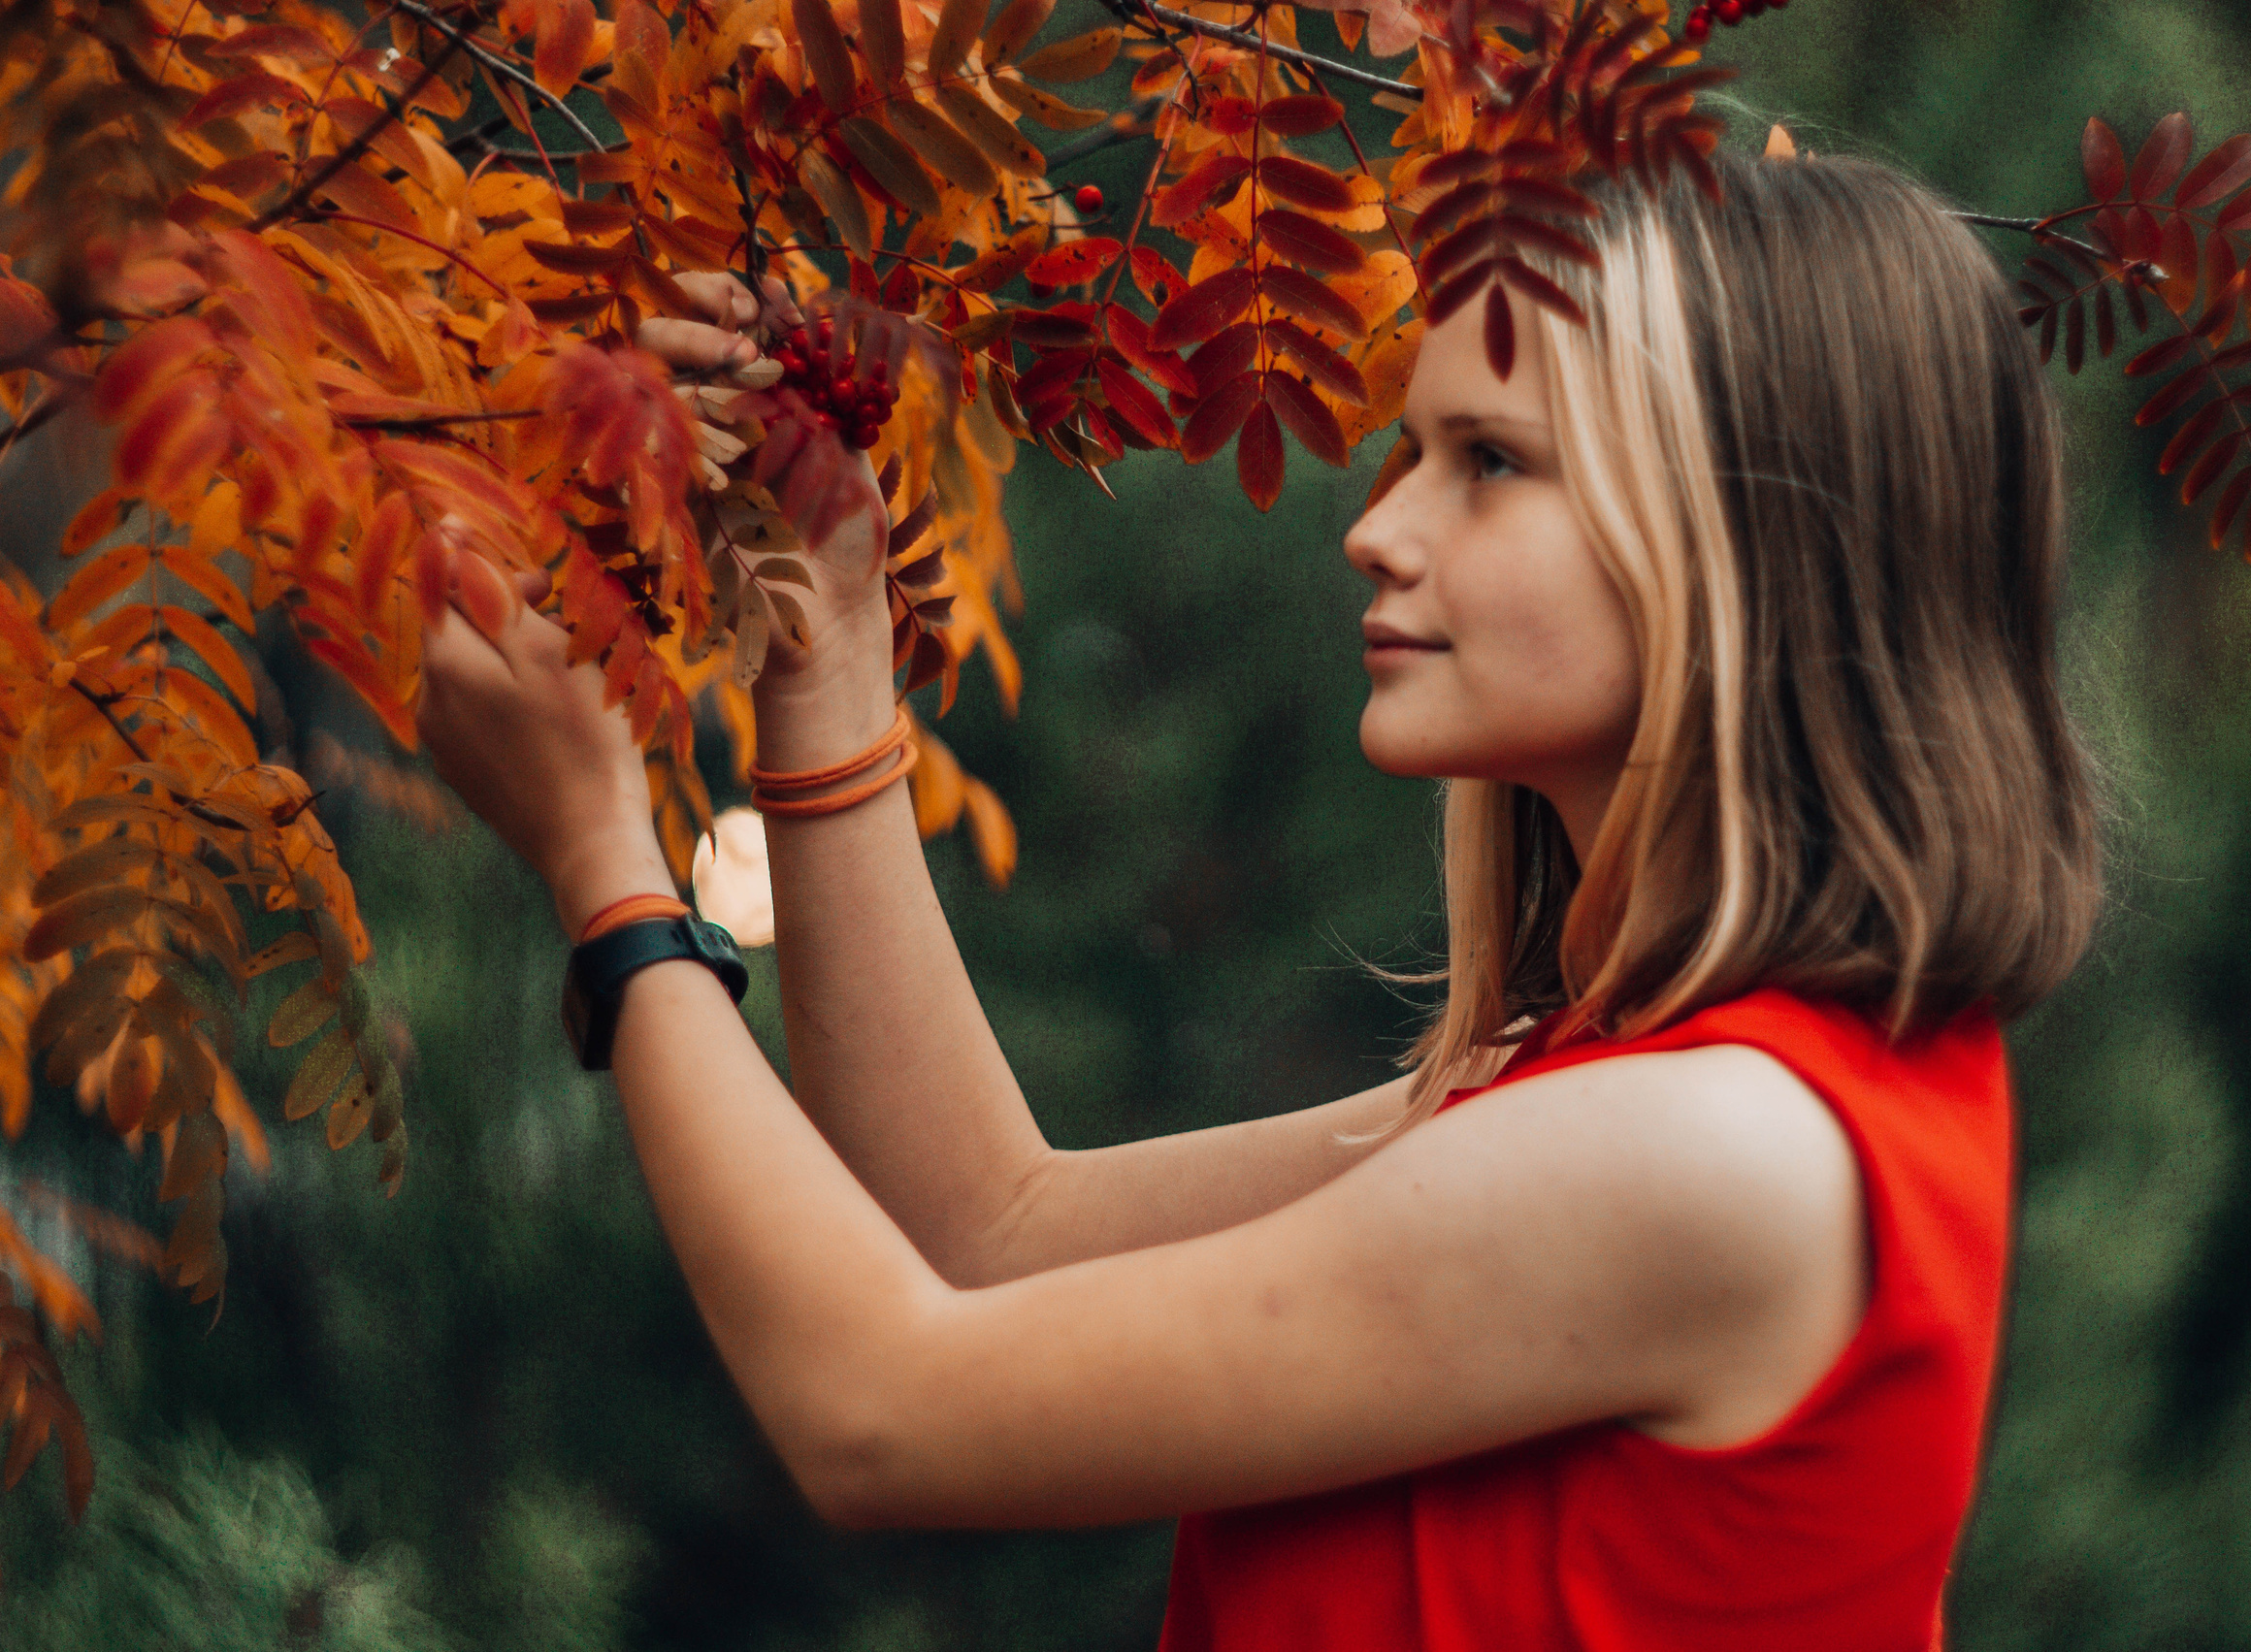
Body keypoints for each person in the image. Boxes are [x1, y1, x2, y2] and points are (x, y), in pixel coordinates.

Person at [413, 148, 2100, 1648]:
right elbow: (985, 1237)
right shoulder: (1636, 1086)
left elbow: (881, 1410)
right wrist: (831, 640)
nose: (1378, 529)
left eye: (1489, 463)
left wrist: (607, 870)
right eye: (1411, 450)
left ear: (1741, 539)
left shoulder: (1716, 1151)